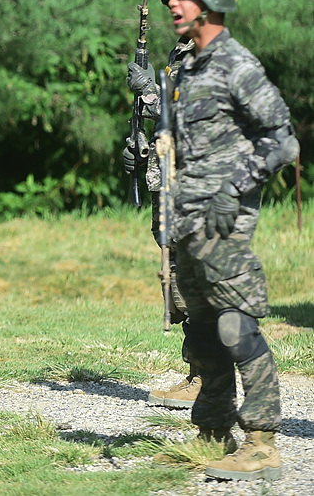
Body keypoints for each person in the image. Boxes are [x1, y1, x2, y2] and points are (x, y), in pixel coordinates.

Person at [156, 0, 297, 481]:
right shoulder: (188, 65)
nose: (171, 4)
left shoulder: (238, 64)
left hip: (224, 220)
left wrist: (233, 188)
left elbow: (281, 140)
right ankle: (214, 429)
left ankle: (262, 442)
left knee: (237, 325)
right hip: (187, 218)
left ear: (211, 1)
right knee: (204, 327)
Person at [124, 37, 201, 409]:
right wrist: (140, 148)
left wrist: (149, 94)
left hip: (193, 187)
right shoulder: (178, 52)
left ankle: (208, 377)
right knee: (179, 278)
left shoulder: (207, 52)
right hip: (168, 183)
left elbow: (190, 115)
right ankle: (198, 373)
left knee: (197, 277)